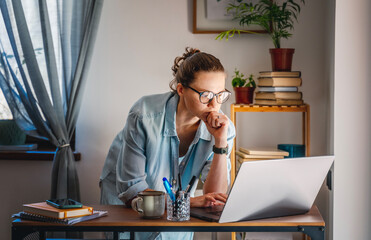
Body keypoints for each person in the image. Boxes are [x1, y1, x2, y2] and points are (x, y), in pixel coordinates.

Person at [100, 47, 236, 240]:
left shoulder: (223, 128)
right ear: (181, 89)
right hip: (127, 201)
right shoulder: (143, 115)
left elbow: (215, 197)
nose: (214, 105)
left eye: (220, 95)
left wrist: (220, 142)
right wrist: (191, 201)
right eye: (205, 95)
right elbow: (133, 192)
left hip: (176, 206)